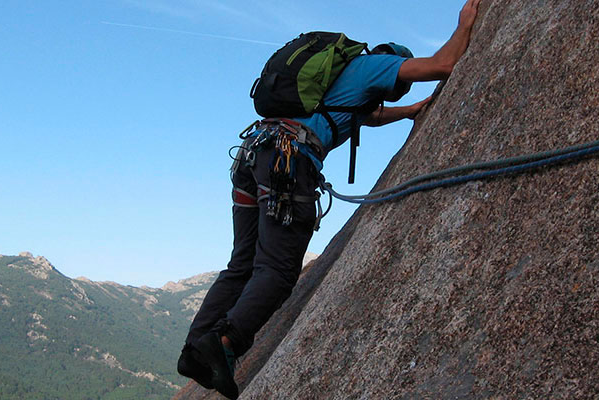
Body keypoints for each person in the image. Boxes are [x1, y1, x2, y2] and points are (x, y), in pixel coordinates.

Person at [178, 0, 482, 398]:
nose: (395, 92)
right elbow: (443, 65)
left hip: (254, 154)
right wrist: (465, 26)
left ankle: (193, 350)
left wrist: (408, 112)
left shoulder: (345, 82)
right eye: (399, 85)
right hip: (288, 163)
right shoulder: (377, 65)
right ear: (392, 65)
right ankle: (224, 345)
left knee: (243, 263)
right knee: (278, 270)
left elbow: (367, 116)